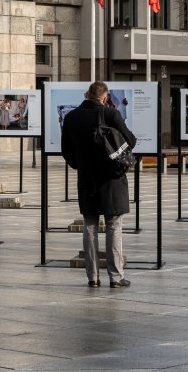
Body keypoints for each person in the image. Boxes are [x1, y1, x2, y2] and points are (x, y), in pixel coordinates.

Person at [61, 81, 136, 289]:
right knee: (114, 226)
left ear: (87, 94)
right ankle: (116, 276)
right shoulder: (111, 115)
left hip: (87, 179)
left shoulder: (71, 117)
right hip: (112, 179)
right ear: (105, 97)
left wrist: (80, 165)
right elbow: (130, 140)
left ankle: (92, 277)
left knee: (90, 226)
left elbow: (66, 150)